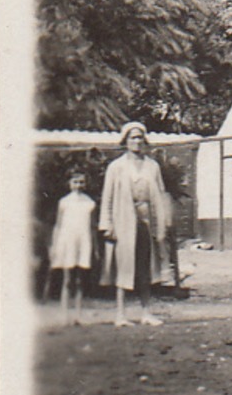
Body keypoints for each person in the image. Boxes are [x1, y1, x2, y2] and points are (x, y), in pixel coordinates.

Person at [99, 122, 172, 327]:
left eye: (140, 137)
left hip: (146, 221)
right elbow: (108, 197)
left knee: (146, 267)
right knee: (123, 266)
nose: (137, 141)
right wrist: (107, 225)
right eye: (132, 137)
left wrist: (164, 222)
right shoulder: (116, 167)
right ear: (125, 141)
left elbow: (161, 193)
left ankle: (146, 312)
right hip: (123, 221)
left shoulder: (152, 166)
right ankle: (120, 315)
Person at [49, 171, 97, 323]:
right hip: (67, 241)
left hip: (83, 241)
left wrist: (95, 249)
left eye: (81, 182)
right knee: (67, 279)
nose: (78, 185)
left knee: (80, 280)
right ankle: (64, 315)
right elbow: (58, 225)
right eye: (75, 182)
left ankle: (78, 315)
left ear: (85, 183)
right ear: (69, 184)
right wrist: (54, 246)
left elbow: (92, 227)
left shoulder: (90, 203)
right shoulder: (64, 202)